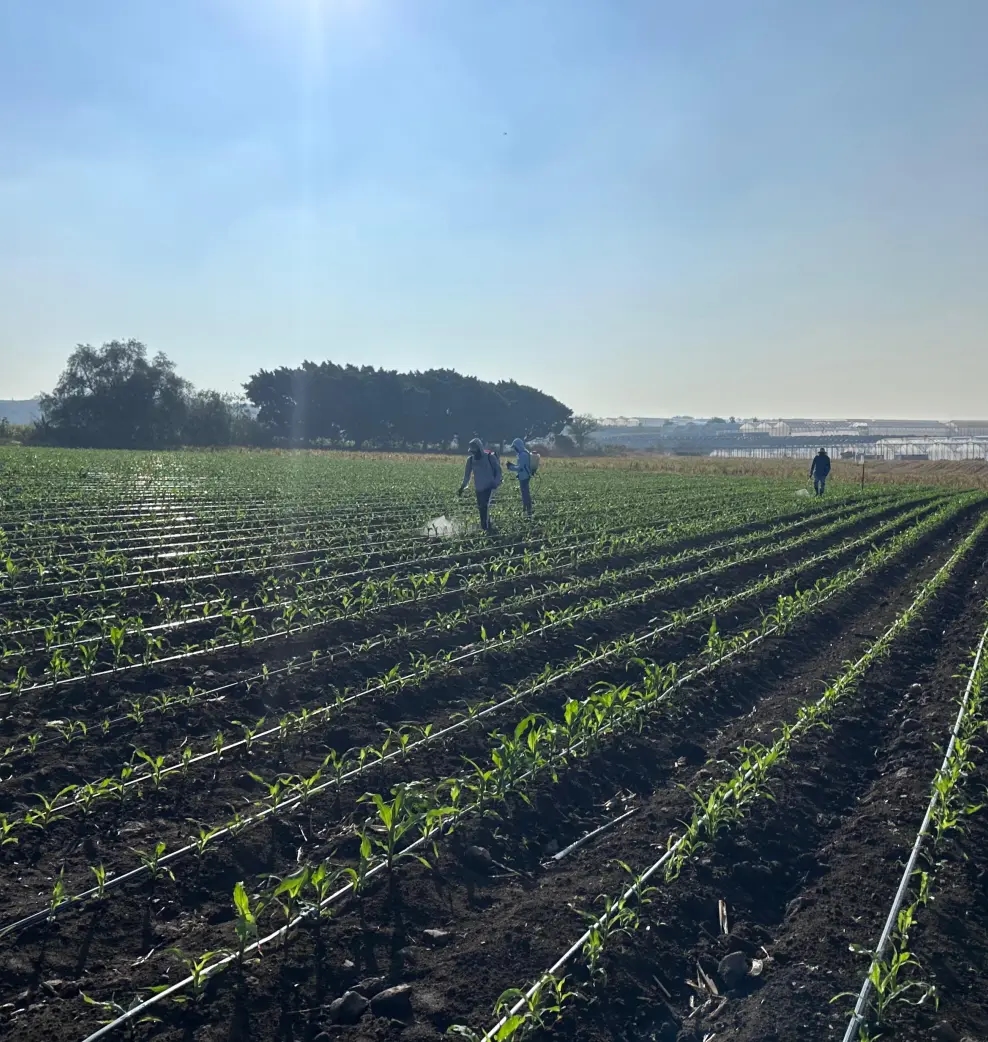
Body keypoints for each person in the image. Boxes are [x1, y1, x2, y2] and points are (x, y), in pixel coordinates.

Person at [458, 437, 502, 531]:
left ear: (480, 449)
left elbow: (498, 470)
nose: (474, 454)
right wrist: (462, 487)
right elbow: (467, 476)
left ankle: (485, 528)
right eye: (472, 452)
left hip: (489, 486)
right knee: (481, 508)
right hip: (479, 487)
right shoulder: (470, 460)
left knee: (484, 506)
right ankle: (487, 525)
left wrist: (496, 482)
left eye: (475, 451)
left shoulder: (489, 457)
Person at [506, 437, 534, 516]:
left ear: (517, 446)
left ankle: (528, 511)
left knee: (525, 494)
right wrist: (512, 466)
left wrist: (511, 467)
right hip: (524, 476)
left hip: (524, 476)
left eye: (515, 447)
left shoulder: (523, 455)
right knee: (525, 493)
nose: (515, 449)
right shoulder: (523, 453)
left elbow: (520, 467)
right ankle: (526, 509)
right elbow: (521, 466)